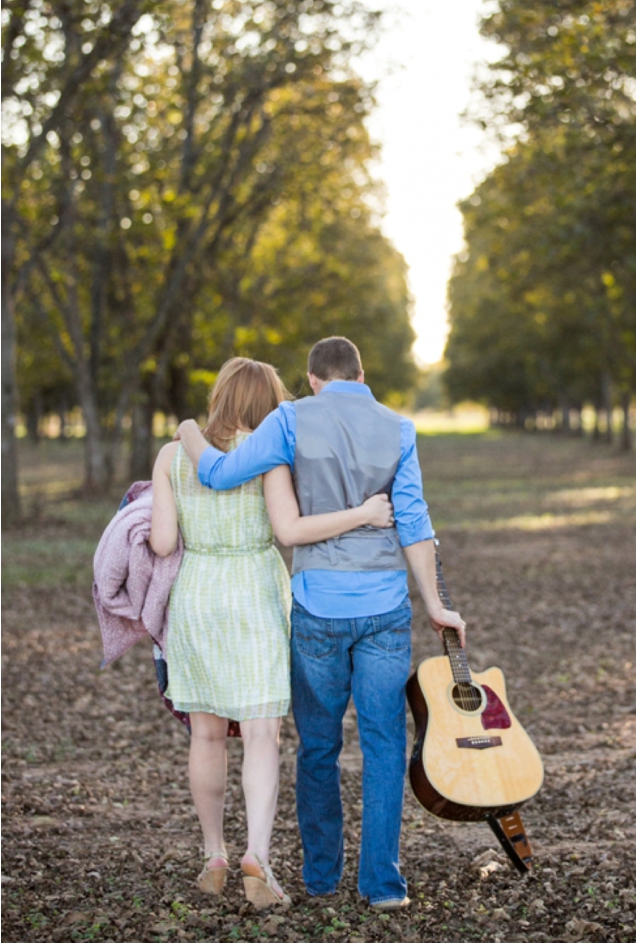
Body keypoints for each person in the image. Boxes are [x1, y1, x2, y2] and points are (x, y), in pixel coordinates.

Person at [175, 337, 466, 911]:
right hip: (384, 610)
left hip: (318, 608)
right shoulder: (400, 428)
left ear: (312, 379)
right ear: (362, 374)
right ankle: (382, 885)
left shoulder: (290, 419)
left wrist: (187, 429)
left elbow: (218, 472)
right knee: (384, 744)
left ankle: (320, 877)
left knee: (317, 747)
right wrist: (434, 604)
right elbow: (414, 522)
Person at [149, 356, 394, 909]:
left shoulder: (172, 456)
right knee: (263, 736)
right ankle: (256, 854)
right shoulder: (274, 457)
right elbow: (290, 532)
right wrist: (361, 514)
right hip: (256, 597)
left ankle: (213, 854)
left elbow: (163, 544)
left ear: (220, 397)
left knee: (206, 735)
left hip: (198, 598)